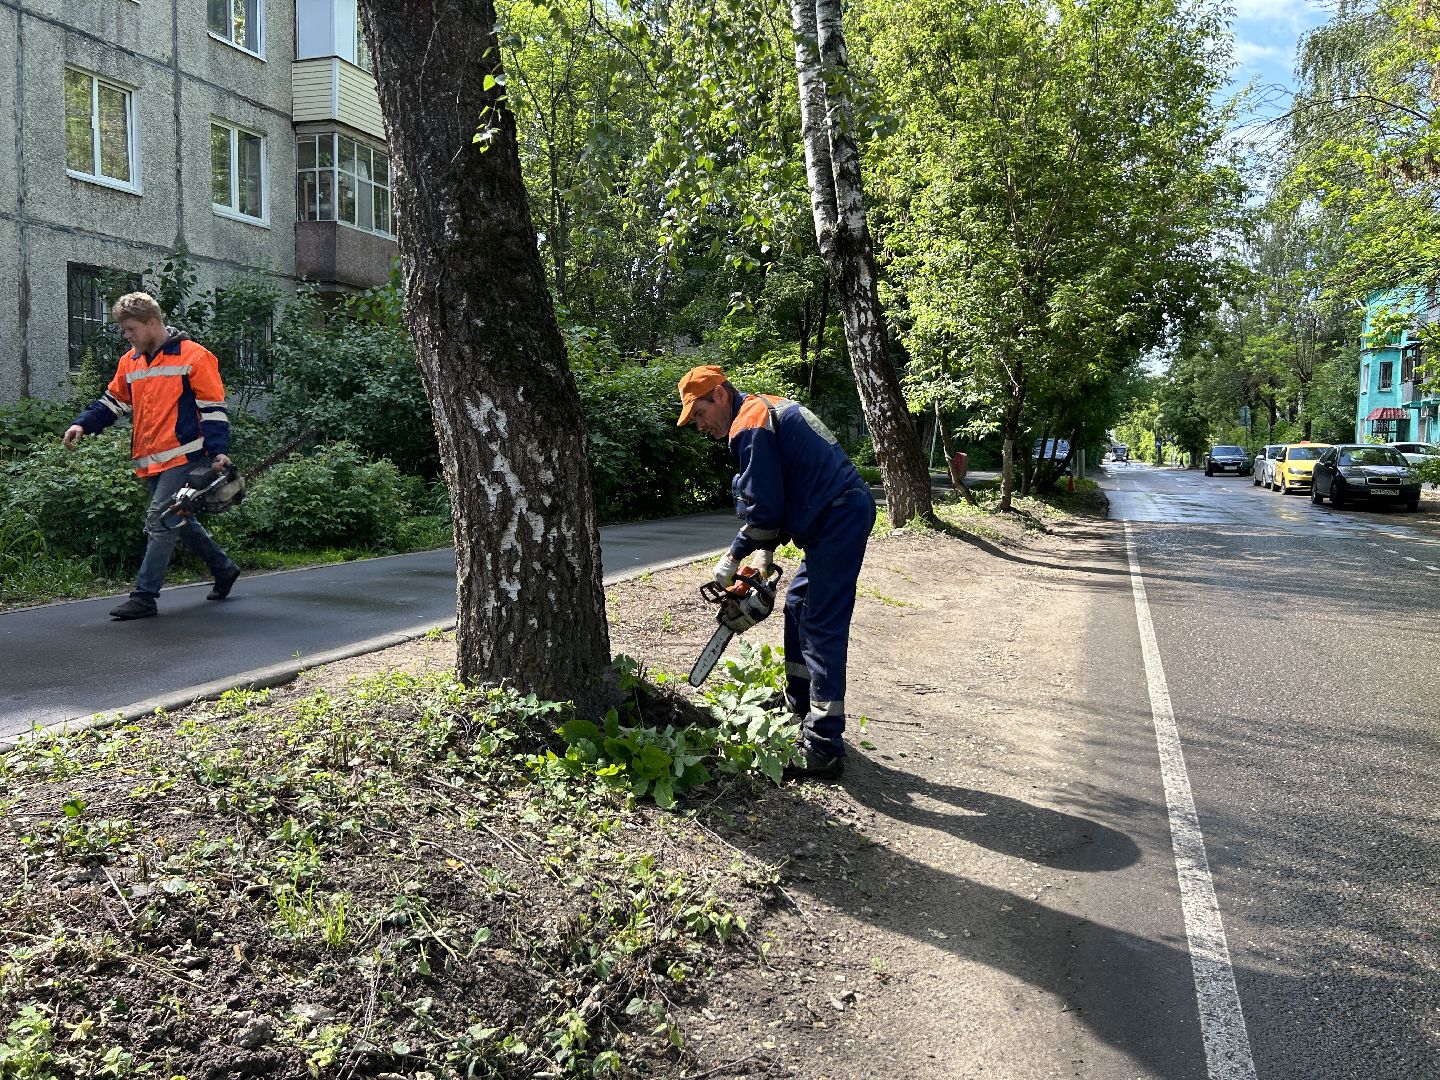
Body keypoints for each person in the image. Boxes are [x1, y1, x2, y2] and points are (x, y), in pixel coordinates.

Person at [677, 365, 876, 782]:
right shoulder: (764, 410)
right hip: (831, 517)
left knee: (821, 623)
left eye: (698, 414)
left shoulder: (749, 424)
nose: (698, 425)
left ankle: (823, 746)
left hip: (837, 518)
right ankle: (799, 703)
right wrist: (763, 560)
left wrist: (732, 559)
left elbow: (764, 508)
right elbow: (780, 500)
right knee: (798, 606)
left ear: (719, 395)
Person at [63, 291, 240, 620]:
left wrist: (218, 453)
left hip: (187, 457)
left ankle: (144, 596)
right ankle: (224, 568)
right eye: (124, 330)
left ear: (153, 323)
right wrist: (82, 425)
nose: (126, 335)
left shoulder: (194, 356)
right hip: (150, 460)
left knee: (161, 520)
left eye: (130, 329)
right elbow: (113, 402)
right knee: (180, 519)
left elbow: (213, 409)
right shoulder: (130, 361)